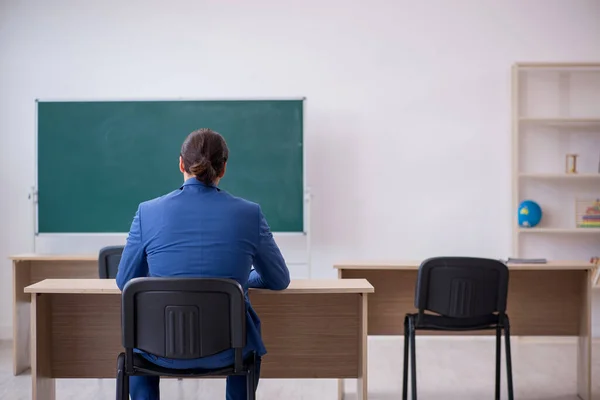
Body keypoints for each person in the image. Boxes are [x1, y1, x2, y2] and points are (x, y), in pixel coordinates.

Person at [116, 128, 290, 400]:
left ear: (181, 164)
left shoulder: (147, 212)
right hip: (229, 351)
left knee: (136, 348)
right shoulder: (250, 213)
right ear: (224, 168)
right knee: (246, 344)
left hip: (156, 348)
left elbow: (123, 281)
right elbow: (279, 280)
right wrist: (242, 283)